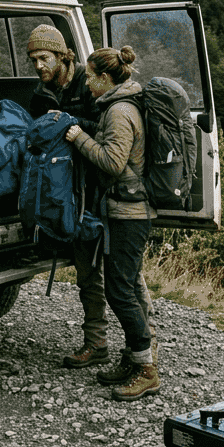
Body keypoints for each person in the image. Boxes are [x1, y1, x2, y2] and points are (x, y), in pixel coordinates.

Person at [0, 25, 150, 371]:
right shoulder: (41, 91)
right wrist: (9, 116)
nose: (38, 65)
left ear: (63, 56)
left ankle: (142, 349)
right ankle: (97, 345)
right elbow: (37, 133)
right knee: (87, 272)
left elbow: (105, 128)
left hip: (100, 187)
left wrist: (71, 124)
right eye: (33, 59)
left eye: (44, 58)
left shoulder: (91, 81)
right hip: (69, 193)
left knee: (124, 275)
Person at [64, 46, 160, 401]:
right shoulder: (120, 105)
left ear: (105, 79)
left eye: (90, 77)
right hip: (124, 211)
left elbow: (112, 161)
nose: (86, 83)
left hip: (129, 214)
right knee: (128, 286)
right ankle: (133, 360)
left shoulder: (119, 111)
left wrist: (79, 138)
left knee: (120, 291)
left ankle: (147, 369)